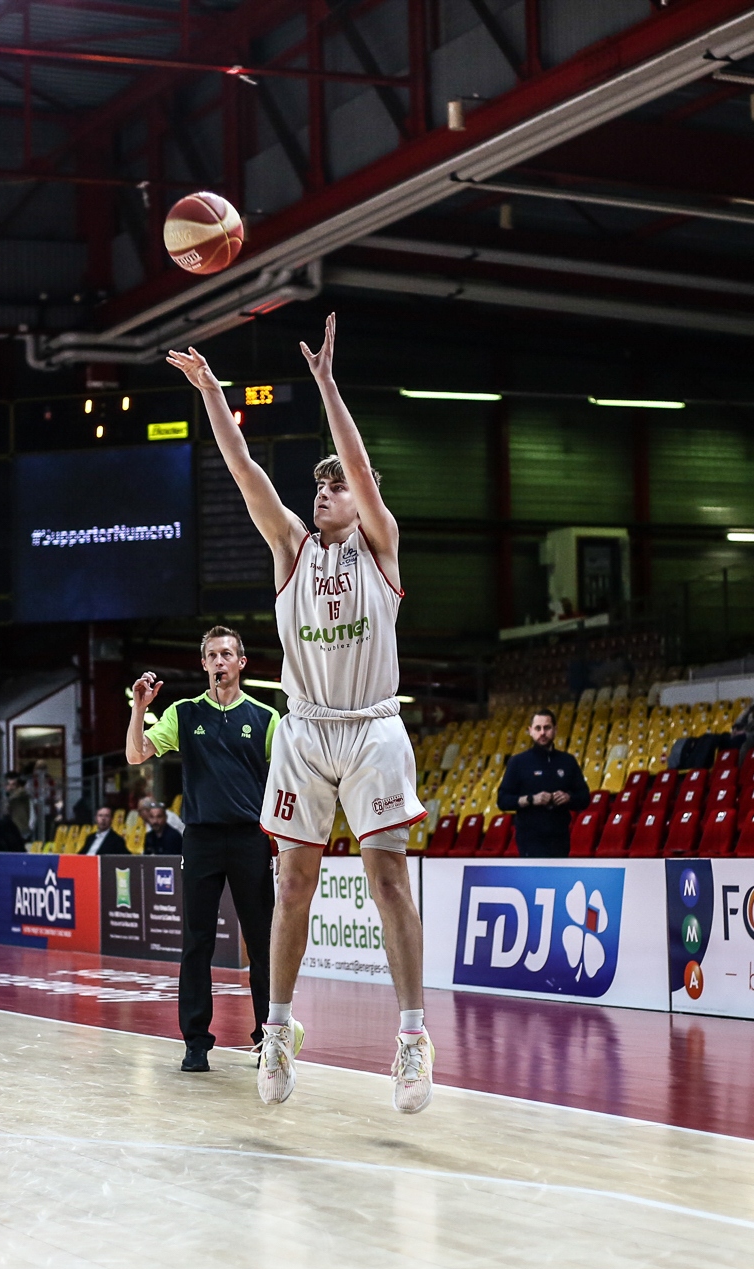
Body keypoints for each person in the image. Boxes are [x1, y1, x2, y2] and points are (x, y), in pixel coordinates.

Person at [169, 314, 433, 1113]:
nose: (326, 490)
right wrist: (214, 392)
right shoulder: (290, 547)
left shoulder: (380, 545)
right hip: (308, 729)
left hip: (374, 725)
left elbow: (358, 465)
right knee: (293, 887)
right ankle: (277, 1029)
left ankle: (414, 1036)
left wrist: (325, 383)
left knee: (389, 880)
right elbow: (244, 466)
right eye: (319, 484)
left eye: (338, 484)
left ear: (362, 499)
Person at [126, 626, 277, 1071]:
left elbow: (290, 778)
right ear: (204, 663)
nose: (219, 661)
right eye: (212, 654)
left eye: (227, 654)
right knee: (197, 943)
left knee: (262, 944)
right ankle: (196, 1041)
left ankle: (269, 1037)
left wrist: (286, 843)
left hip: (251, 838)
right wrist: (139, 709)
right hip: (202, 839)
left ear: (241, 663)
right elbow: (136, 755)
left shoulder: (268, 717)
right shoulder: (183, 713)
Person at [496, 709, 592, 858]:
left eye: (547, 728)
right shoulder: (518, 762)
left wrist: (569, 798)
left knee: (557, 881)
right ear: (530, 731)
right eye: (538, 728)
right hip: (529, 839)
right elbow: (502, 800)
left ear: (555, 730)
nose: (542, 733)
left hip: (560, 837)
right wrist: (531, 799)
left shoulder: (568, 761)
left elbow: (584, 797)